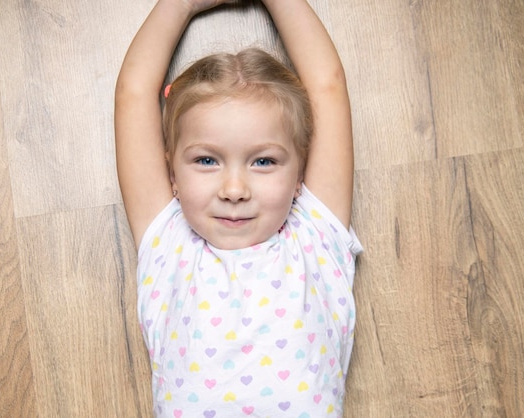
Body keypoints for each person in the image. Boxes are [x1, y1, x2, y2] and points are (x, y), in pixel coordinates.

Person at [115, 0, 363, 415]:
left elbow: (327, 86)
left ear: (300, 171)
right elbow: (134, 94)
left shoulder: (316, 236)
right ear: (171, 175)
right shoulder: (168, 245)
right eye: (206, 160)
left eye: (263, 161)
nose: (234, 189)